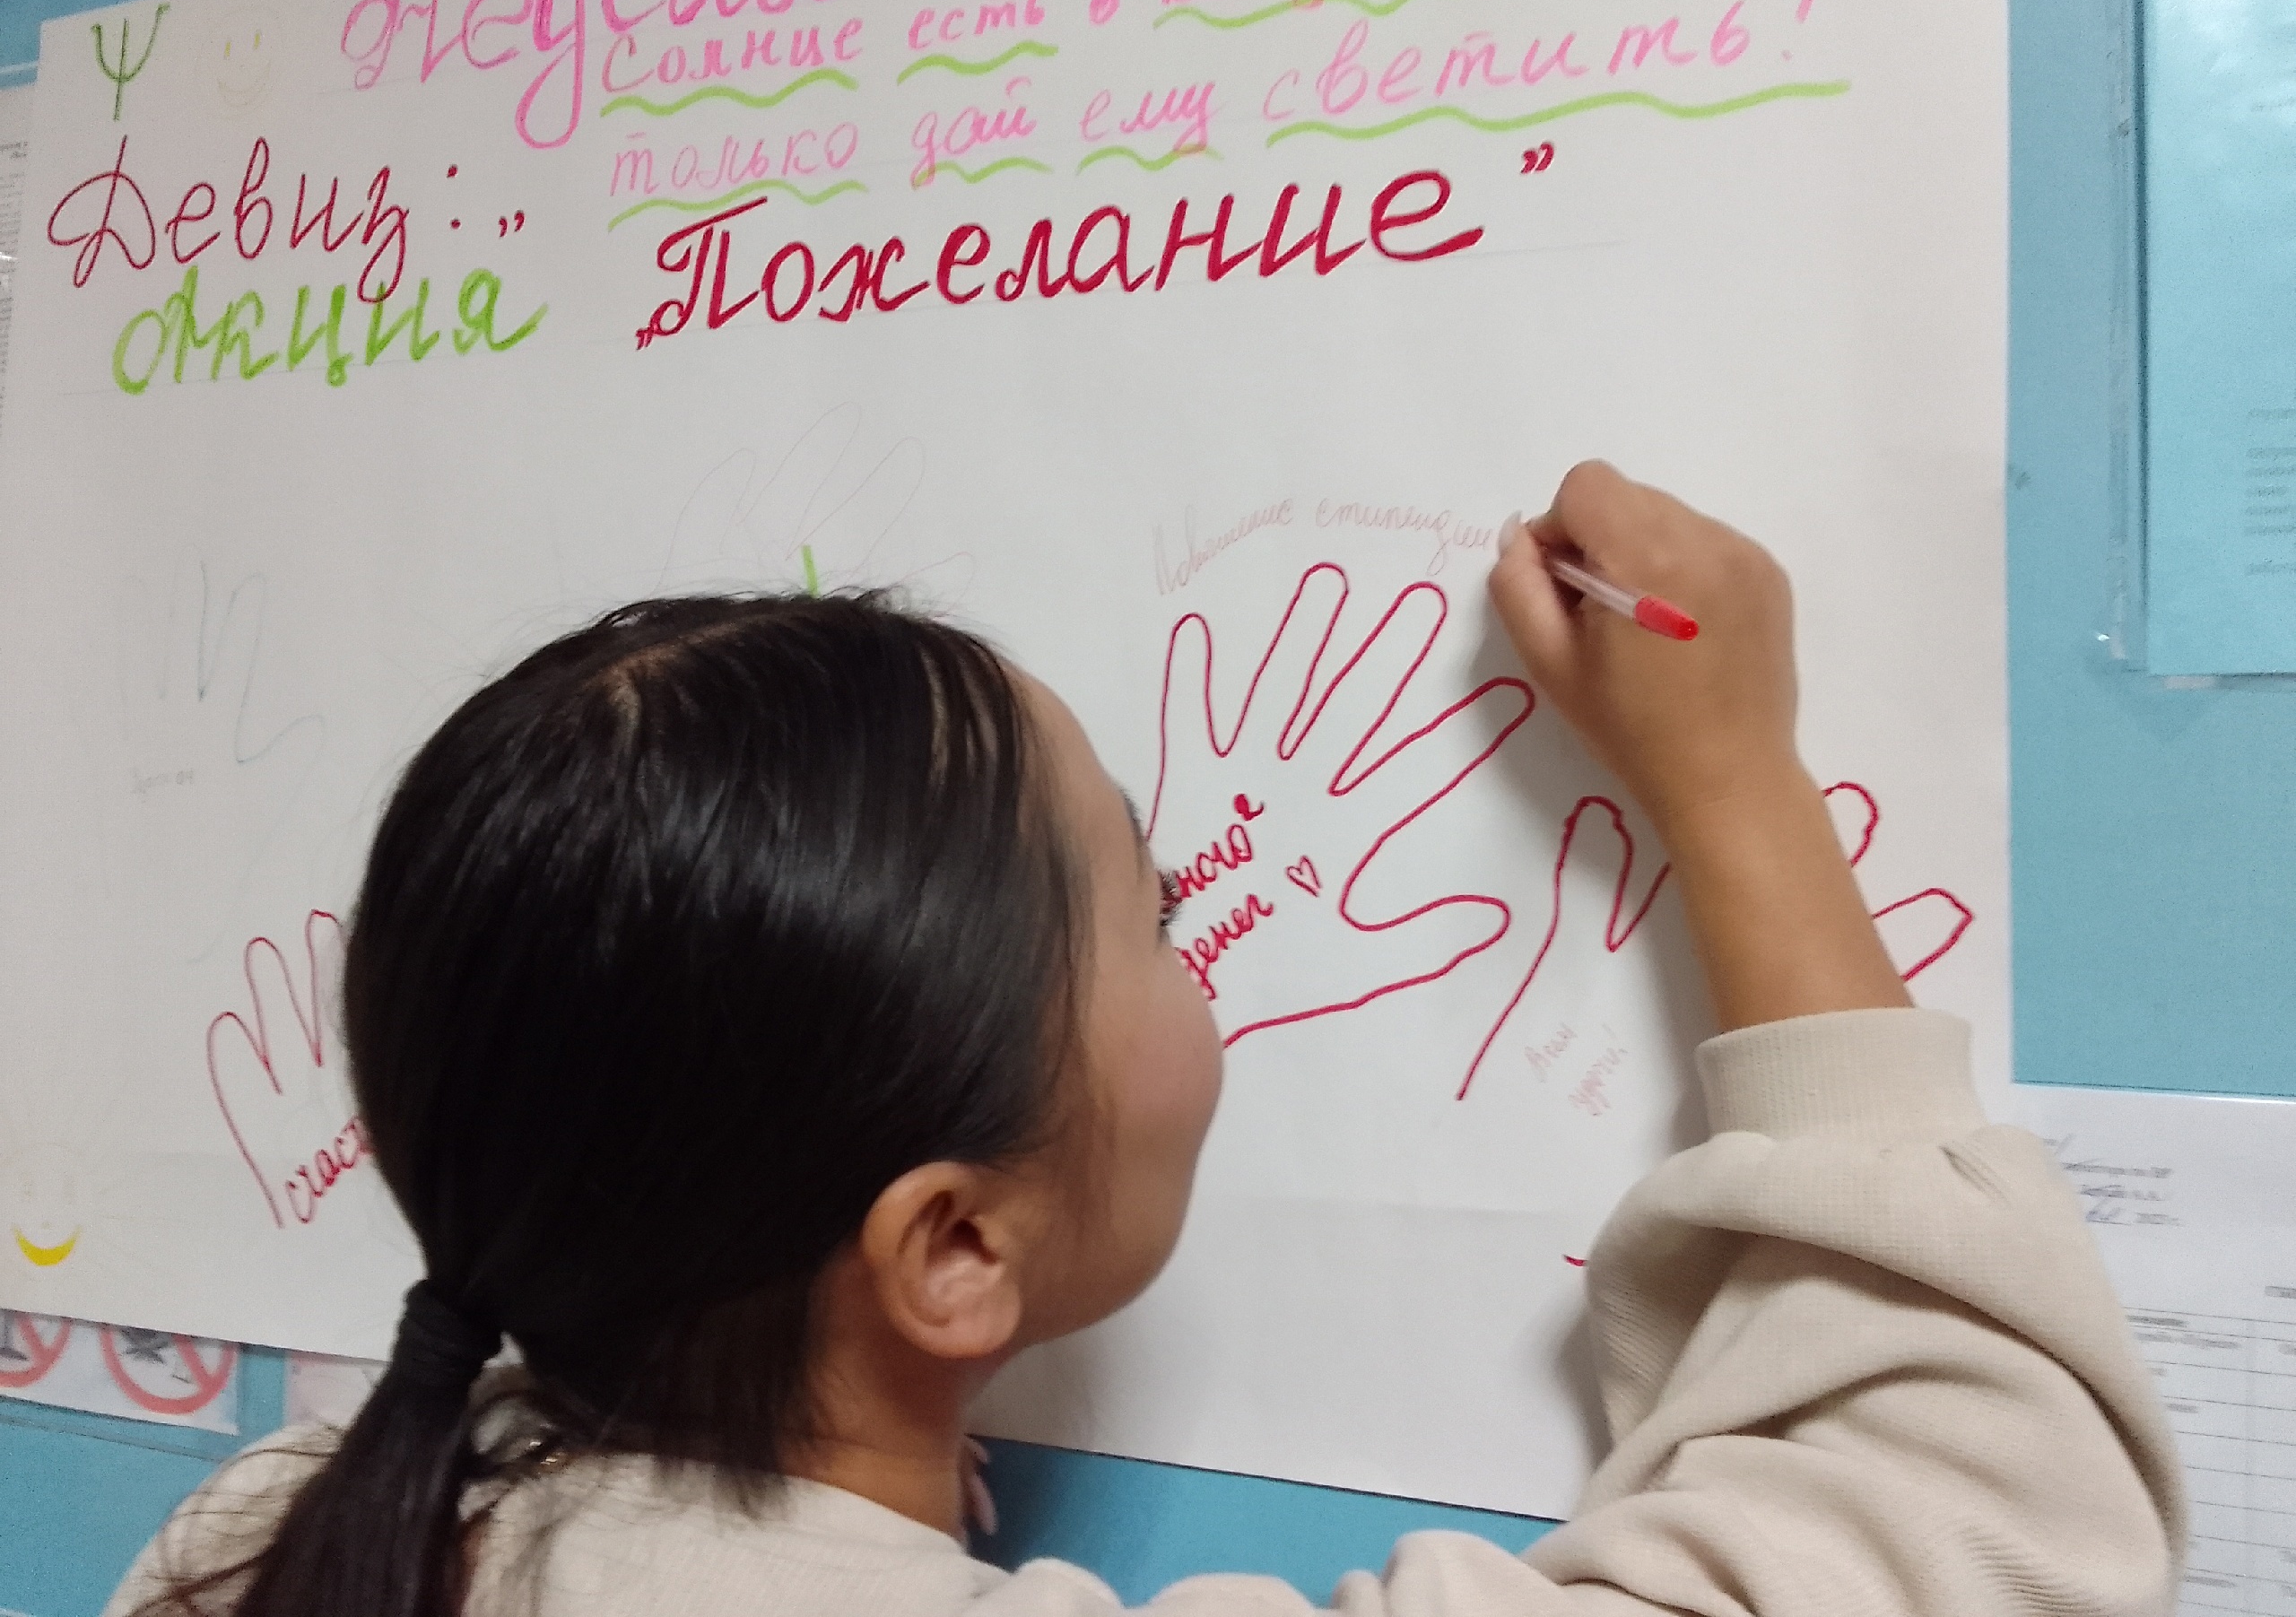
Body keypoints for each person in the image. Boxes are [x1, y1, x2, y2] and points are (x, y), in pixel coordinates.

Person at [109, 462, 2183, 1617]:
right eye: (1160, 911)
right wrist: (1732, 784)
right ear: (952, 1248)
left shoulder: (254, 1547)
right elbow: (1970, 1516)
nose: (1202, 939)